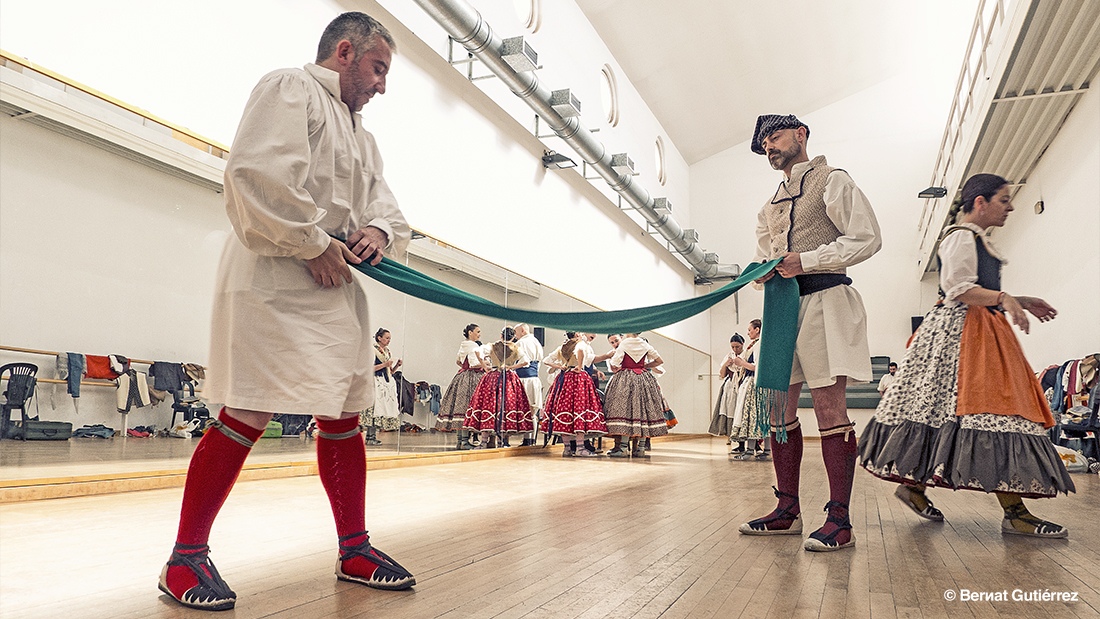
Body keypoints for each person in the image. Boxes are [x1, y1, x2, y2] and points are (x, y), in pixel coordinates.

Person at [160, 13, 415, 610]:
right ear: (346, 52)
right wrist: (315, 244)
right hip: (274, 273)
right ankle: (184, 559)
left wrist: (377, 229)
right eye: (379, 69)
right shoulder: (290, 88)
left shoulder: (363, 136)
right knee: (248, 408)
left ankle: (354, 547)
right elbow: (258, 177)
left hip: (334, 284)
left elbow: (385, 205)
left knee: (346, 409)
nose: (383, 85)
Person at [859, 173, 1073, 537]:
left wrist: (1018, 300)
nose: (1010, 206)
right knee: (991, 413)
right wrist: (1004, 299)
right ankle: (1015, 513)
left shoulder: (977, 240)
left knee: (970, 415)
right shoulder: (960, 236)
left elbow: (973, 289)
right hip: (962, 338)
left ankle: (915, 488)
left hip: (981, 332)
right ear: (980, 202)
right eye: (1004, 200)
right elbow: (957, 289)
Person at [738, 114, 881, 552]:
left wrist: (809, 260)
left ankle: (840, 520)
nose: (768, 146)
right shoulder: (769, 206)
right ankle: (787, 510)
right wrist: (761, 272)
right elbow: (768, 255)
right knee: (778, 410)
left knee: (828, 408)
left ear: (801, 134)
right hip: (782, 308)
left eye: (774, 136)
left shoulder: (832, 180)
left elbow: (868, 238)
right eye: (763, 142)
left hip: (826, 300)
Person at [463, 327, 533, 448]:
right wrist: (511, 368)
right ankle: (502, 443)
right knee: (506, 408)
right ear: (513, 337)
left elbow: (477, 351)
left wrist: (485, 366)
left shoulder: (492, 346)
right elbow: (526, 362)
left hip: (493, 377)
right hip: (509, 379)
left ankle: (483, 442)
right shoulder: (516, 348)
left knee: (488, 407)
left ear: (501, 336)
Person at [541, 332, 608, 457]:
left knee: (564, 411)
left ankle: (567, 449)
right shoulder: (580, 343)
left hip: (564, 378)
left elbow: (546, 360)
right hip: (578, 379)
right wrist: (580, 366)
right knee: (580, 409)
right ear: (577, 334)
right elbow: (581, 351)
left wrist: (560, 366)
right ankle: (580, 448)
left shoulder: (562, 347)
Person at [604, 333, 668, 457]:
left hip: (625, 378)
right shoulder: (645, 344)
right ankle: (641, 448)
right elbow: (659, 361)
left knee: (623, 411)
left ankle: (623, 448)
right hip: (644, 378)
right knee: (644, 411)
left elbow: (615, 363)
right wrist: (645, 365)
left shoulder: (624, 344)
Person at [435, 324, 488, 450]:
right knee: (467, 408)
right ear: (470, 332)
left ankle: (460, 441)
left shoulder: (464, 344)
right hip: (472, 378)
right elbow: (474, 364)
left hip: (461, 376)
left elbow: (458, 361)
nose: (480, 334)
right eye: (478, 332)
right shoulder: (474, 346)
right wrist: (485, 365)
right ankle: (465, 441)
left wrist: (466, 367)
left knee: (460, 408)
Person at [729, 319, 767, 460]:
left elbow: (757, 367)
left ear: (757, 330)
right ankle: (764, 449)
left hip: (754, 382)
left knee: (751, 415)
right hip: (753, 382)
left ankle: (751, 450)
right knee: (758, 415)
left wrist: (742, 363)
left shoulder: (759, 344)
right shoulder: (756, 344)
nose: (748, 332)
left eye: (750, 329)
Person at [360, 328, 402, 444]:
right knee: (373, 409)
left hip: (384, 382)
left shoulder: (387, 352)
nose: (389, 340)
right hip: (374, 381)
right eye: (387, 338)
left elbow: (390, 371)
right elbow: (369, 368)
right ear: (379, 338)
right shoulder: (373, 350)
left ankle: (371, 436)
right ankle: (370, 436)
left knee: (379, 409)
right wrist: (384, 364)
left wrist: (396, 365)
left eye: (390, 338)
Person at [709, 334, 745, 442]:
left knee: (742, 411)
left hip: (743, 385)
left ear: (742, 344)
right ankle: (732, 438)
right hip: (730, 386)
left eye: (737, 347)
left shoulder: (746, 354)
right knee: (730, 410)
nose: (735, 349)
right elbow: (722, 374)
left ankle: (748, 442)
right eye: (733, 347)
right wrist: (725, 364)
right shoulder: (729, 355)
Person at [512, 323, 544, 447]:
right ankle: (531, 439)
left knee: (525, 410)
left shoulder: (521, 343)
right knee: (533, 412)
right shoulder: (536, 341)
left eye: (516, 332)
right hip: (535, 379)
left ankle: (527, 439)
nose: (515, 336)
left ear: (523, 330)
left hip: (523, 378)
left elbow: (520, 361)